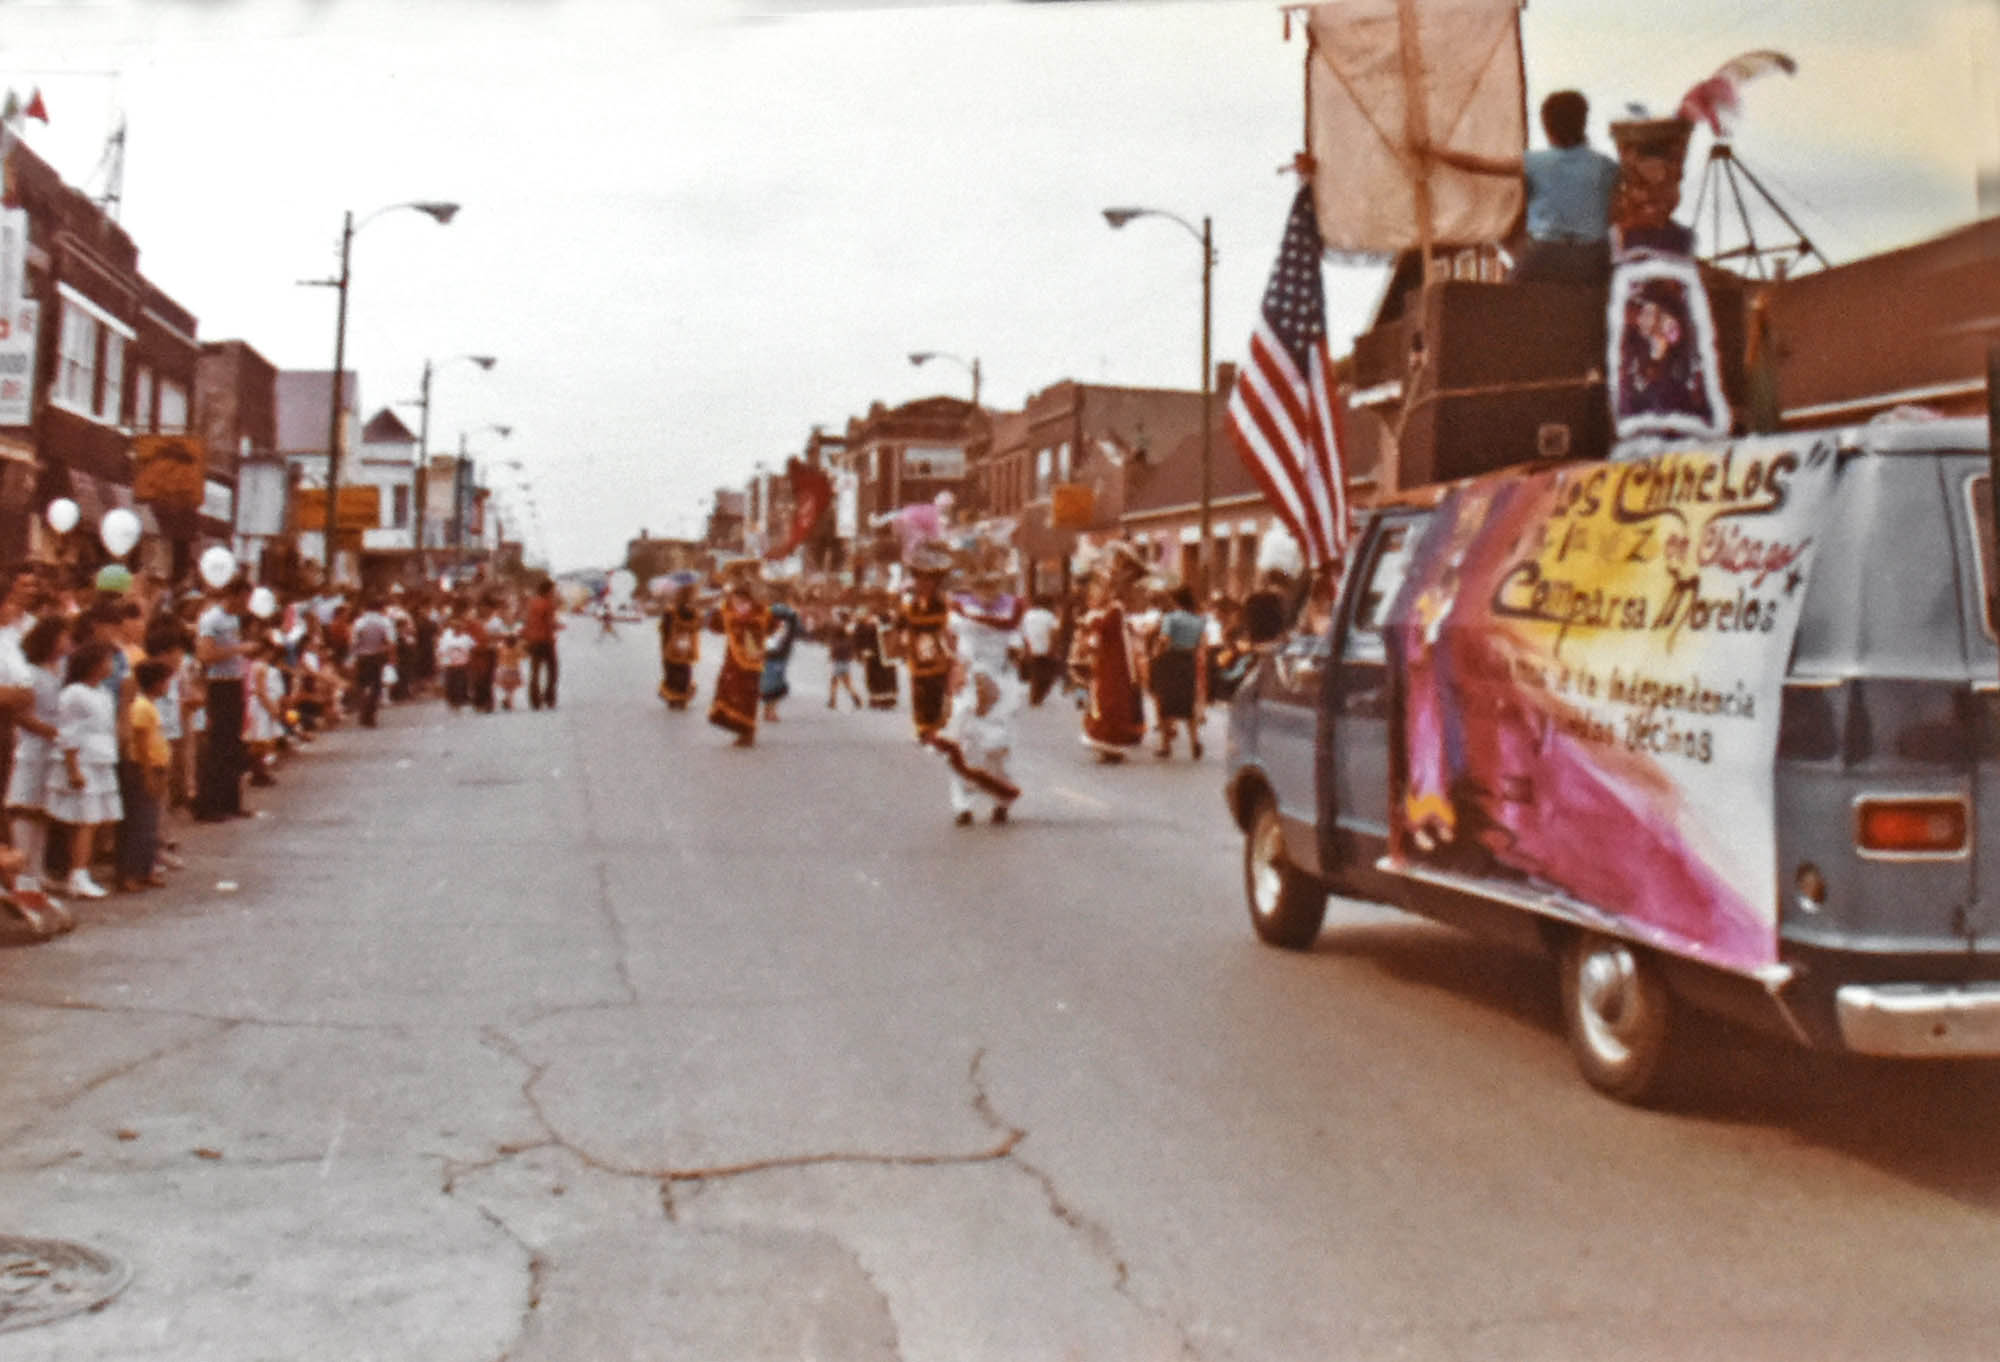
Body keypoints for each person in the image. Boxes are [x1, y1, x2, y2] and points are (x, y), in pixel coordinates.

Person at [1419, 89, 1620, 285]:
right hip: (1592, 258)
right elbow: (1616, 212)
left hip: (1545, 254)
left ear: (1547, 127)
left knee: (1508, 299)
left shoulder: (1536, 163)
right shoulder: (1605, 166)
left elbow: (1478, 165)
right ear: (1583, 123)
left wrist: (1434, 151)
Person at [931, 571, 1023, 826]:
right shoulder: (960, 610)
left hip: (999, 683)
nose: (987, 591)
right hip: (969, 682)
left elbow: (1017, 645)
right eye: (981, 585)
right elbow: (947, 640)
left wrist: (1014, 658)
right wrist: (957, 666)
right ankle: (963, 806)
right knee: (963, 743)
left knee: (998, 746)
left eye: (992, 585)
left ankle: (1001, 800)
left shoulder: (1011, 610)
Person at [46, 641, 122, 901]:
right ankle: (77, 874)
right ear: (92, 665)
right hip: (83, 760)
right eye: (107, 660)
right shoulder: (74, 693)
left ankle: (81, 870)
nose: (111, 666)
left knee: (98, 819)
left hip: (101, 758)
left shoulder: (103, 692)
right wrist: (73, 768)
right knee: (85, 820)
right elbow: (68, 732)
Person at [7, 615, 69, 921]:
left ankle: (37, 870)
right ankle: (22, 873)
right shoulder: (30, 672)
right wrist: (50, 731)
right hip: (34, 745)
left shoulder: (58, 670)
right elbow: (23, 715)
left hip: (53, 746)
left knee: (44, 810)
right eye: (62, 637)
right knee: (26, 809)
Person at [1077, 546, 1148, 761]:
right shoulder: (1113, 609)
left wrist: (1089, 624)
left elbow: (1104, 629)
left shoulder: (1115, 609)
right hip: (1109, 664)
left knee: (1111, 703)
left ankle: (1111, 745)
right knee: (1106, 701)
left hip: (1114, 667)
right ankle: (1108, 746)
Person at [194, 578, 252, 822]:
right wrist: (238, 650)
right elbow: (205, 654)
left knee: (233, 744)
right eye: (245, 598)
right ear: (234, 595)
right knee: (218, 745)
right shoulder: (211, 619)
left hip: (234, 681)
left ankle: (231, 800)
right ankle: (209, 804)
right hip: (219, 684)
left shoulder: (234, 620)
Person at [116, 659, 173, 893]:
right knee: (139, 822)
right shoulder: (141, 707)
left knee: (150, 823)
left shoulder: (149, 705)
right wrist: (147, 773)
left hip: (156, 766)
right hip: (142, 768)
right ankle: (130, 873)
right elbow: (140, 745)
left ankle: (145, 869)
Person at [708, 574, 768, 747]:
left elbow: (771, 628)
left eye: (742, 599)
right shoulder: (728, 612)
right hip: (733, 663)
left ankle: (747, 732)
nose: (738, 603)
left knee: (747, 698)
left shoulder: (760, 612)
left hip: (751, 663)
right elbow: (715, 627)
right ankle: (741, 730)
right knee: (731, 694)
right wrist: (716, 611)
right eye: (736, 599)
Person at [900, 559, 955, 743]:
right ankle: (923, 727)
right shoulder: (909, 604)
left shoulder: (945, 604)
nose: (923, 584)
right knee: (920, 690)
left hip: (940, 653)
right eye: (920, 580)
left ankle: (935, 727)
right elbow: (899, 625)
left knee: (937, 690)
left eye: (928, 581)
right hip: (917, 653)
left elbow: (953, 627)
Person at [1149, 585, 1207, 759]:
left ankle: (1165, 745)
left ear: (1176, 601)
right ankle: (1194, 742)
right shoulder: (1199, 621)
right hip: (1188, 661)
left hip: (1170, 660)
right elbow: (1200, 644)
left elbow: (1164, 639)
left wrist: (1156, 654)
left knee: (1165, 702)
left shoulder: (1171, 618)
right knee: (1187, 704)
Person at [350, 594, 394, 727]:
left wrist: (353, 655)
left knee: (361, 685)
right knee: (376, 687)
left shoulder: (359, 622)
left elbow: (353, 641)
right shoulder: (384, 621)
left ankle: (363, 710)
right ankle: (370, 715)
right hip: (377, 656)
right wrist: (391, 656)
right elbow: (391, 642)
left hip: (361, 656)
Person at [658, 584, 702, 710]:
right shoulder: (693, 612)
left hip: (672, 648)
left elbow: (664, 630)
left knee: (673, 673)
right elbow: (696, 627)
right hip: (686, 648)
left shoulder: (671, 612)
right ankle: (682, 699)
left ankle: (674, 699)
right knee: (685, 673)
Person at [760, 589, 800, 723]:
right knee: (776, 683)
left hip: (768, 653)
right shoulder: (790, 615)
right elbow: (797, 629)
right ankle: (771, 711)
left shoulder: (767, 613)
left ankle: (768, 710)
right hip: (779, 654)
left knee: (767, 682)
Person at [523, 578, 561, 711]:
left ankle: (535, 700)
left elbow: (527, 621)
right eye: (552, 590)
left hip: (532, 640)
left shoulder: (532, 602)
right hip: (545, 640)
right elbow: (550, 623)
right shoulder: (548, 603)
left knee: (535, 671)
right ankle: (549, 697)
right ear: (548, 591)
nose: (554, 592)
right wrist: (558, 626)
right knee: (552, 670)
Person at [856, 595, 899, 710]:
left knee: (887, 676)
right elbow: (860, 635)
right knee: (874, 676)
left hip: (886, 653)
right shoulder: (865, 620)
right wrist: (862, 649)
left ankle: (888, 700)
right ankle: (876, 699)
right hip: (873, 653)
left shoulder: (888, 618)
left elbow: (894, 633)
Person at [1019, 593, 1062, 707]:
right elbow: (1054, 634)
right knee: (1047, 675)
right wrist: (1053, 649)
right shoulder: (1050, 616)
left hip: (1032, 649)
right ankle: (1038, 695)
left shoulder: (1027, 615)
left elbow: (1024, 634)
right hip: (1046, 649)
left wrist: (1027, 647)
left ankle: (1035, 695)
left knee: (1036, 673)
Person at [825, 607, 862, 710]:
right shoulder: (848, 628)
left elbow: (833, 642)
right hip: (845, 656)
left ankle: (833, 700)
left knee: (835, 680)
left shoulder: (838, 627)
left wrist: (831, 653)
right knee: (845, 680)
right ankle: (855, 698)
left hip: (838, 656)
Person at [437, 610, 474, 713]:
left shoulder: (466, 638)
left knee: (461, 683)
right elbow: (441, 650)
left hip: (462, 664)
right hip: (450, 664)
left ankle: (461, 700)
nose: (457, 629)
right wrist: (440, 660)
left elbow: (471, 649)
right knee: (450, 683)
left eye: (459, 627)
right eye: (455, 627)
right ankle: (452, 701)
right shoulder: (446, 637)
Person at [495, 630, 524, 711]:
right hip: (512, 670)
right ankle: (509, 700)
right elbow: (522, 656)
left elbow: (499, 659)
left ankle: (508, 700)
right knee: (511, 688)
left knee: (507, 687)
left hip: (506, 670)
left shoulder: (502, 648)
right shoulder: (516, 649)